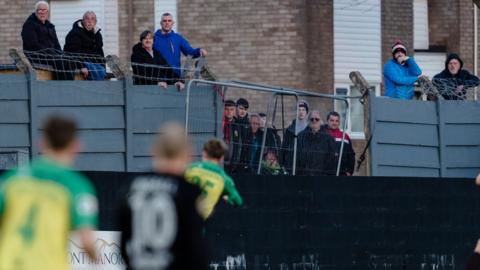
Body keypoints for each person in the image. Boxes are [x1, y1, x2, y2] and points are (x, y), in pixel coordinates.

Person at [0, 116, 98, 270]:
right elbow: (87, 241)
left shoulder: (11, 179)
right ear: (76, 146)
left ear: (43, 143)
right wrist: (97, 259)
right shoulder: (77, 186)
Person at [118, 123, 209, 270]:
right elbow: (195, 248)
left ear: (153, 151)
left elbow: (123, 244)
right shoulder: (188, 190)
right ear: (188, 154)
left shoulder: (131, 186)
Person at [185, 139, 243, 219]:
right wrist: (227, 198)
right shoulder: (224, 179)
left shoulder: (189, 168)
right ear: (221, 157)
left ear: (204, 153)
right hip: (197, 223)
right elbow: (238, 201)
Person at [21, 1, 74, 80]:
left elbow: (57, 45)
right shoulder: (29, 25)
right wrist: (52, 53)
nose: (42, 12)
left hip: (51, 56)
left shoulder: (50, 26)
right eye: (40, 10)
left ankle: (69, 86)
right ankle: (60, 86)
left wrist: (61, 54)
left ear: (48, 12)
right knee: (60, 62)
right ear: (35, 12)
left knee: (69, 60)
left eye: (44, 10)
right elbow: (33, 45)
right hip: (37, 56)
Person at [153, 13, 207, 78]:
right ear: (161, 23)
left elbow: (189, 52)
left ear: (172, 23)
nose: (167, 23)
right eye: (164, 21)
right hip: (158, 78)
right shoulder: (154, 38)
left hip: (174, 78)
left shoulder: (178, 38)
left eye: (169, 21)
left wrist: (199, 50)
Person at [64, 11, 106, 80]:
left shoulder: (98, 35)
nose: (90, 21)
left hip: (95, 64)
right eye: (87, 19)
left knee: (101, 71)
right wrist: (81, 66)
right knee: (95, 72)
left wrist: (103, 66)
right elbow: (71, 53)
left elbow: (100, 53)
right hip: (79, 63)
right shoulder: (74, 33)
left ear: (95, 22)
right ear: (83, 21)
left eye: (92, 19)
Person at [296, 110, 336, 176]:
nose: (314, 121)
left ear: (320, 121)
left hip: (321, 178)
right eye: (312, 119)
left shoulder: (329, 139)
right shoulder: (300, 136)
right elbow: (296, 157)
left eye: (317, 119)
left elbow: (331, 161)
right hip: (303, 177)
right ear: (308, 121)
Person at [280, 100, 309, 173]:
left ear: (306, 112)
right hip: (291, 165)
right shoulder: (290, 130)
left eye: (303, 110)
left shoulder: (310, 130)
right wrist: (282, 164)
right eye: (299, 109)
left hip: (307, 166)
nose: (301, 112)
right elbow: (284, 148)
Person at [324, 111, 355, 176]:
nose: (334, 123)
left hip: (342, 173)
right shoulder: (322, 135)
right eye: (332, 120)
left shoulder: (345, 136)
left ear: (339, 122)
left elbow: (351, 155)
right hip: (326, 173)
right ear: (327, 121)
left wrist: (350, 171)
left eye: (336, 121)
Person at [223, 99, 243, 173]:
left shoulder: (236, 126)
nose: (229, 112)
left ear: (234, 111)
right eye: (226, 109)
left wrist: (235, 162)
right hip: (219, 161)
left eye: (231, 109)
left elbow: (239, 145)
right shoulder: (220, 123)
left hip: (231, 163)